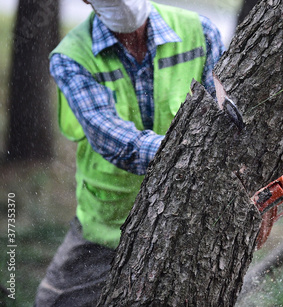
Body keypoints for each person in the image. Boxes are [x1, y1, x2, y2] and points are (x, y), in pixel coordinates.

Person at [35, 0, 224, 305]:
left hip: (190, 216)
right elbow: (114, 139)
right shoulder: (72, 58)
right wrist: (196, 153)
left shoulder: (200, 33)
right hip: (109, 226)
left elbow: (228, 118)